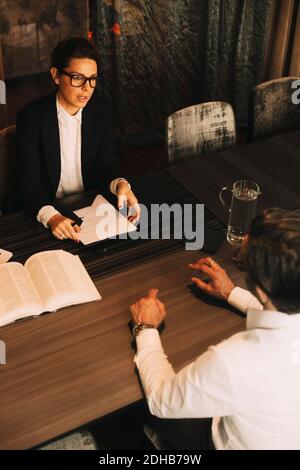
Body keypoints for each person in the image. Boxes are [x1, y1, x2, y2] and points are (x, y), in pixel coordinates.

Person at [130, 208, 300, 450]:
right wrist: (231, 293)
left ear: (260, 288)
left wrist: (145, 327)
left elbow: (160, 400)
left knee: (137, 403)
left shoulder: (235, 361)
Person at [16, 37, 140, 242]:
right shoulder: (31, 117)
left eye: (92, 78)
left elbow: (105, 166)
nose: (87, 88)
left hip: (88, 208)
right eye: (77, 78)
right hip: (43, 211)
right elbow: (28, 186)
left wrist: (119, 184)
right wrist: (51, 216)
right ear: (56, 75)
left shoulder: (101, 108)